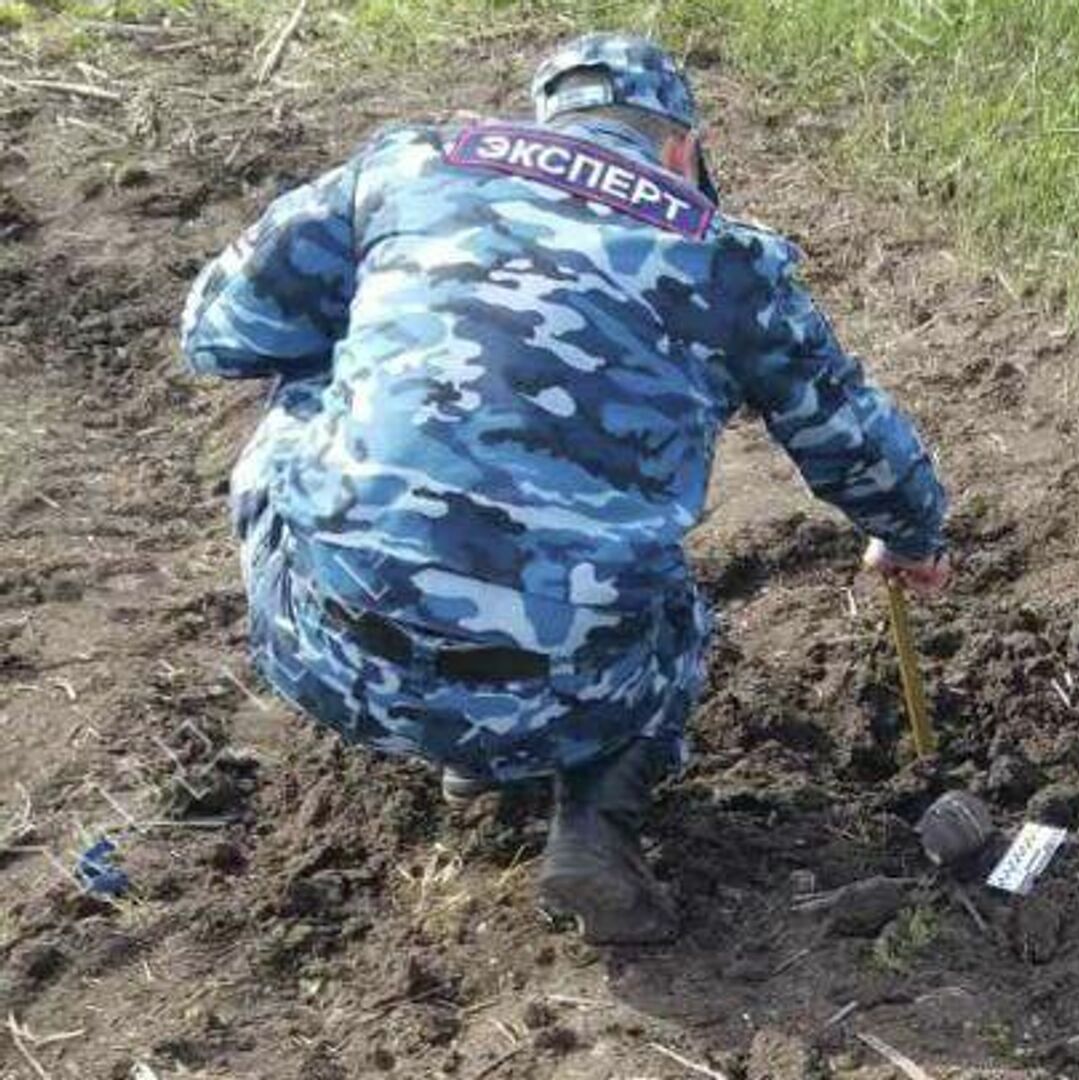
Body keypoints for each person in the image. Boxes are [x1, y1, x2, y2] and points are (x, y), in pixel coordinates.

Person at [178, 33, 951, 944]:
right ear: (681, 151)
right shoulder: (731, 264)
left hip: (328, 653)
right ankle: (592, 822)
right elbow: (855, 441)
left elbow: (218, 334)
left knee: (312, 377)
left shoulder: (405, 168)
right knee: (664, 602)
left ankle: (475, 754)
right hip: (568, 684)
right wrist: (910, 535)